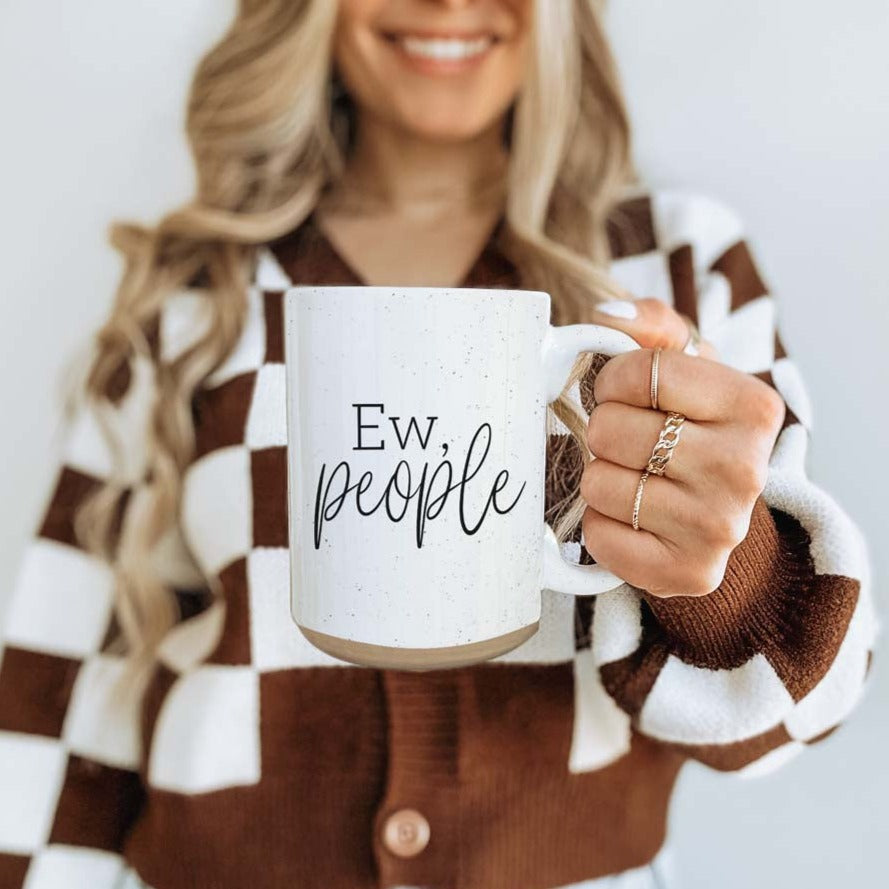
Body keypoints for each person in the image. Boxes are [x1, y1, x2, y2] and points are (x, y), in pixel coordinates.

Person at [0, 1, 880, 887]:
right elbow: (59, 692)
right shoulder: (199, 292)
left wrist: (728, 571)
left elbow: (796, 721)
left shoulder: (673, 263)